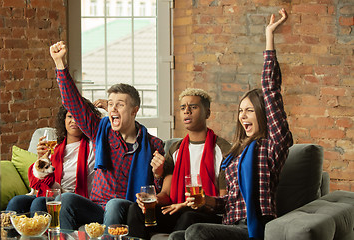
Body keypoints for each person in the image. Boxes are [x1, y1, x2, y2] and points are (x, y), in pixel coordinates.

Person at [169, 8, 293, 240]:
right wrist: (206, 200)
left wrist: (269, 36)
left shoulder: (274, 144)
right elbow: (230, 202)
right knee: (177, 236)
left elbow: (271, 90)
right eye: (240, 111)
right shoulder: (237, 153)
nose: (242, 116)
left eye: (249, 111)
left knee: (195, 231)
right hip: (230, 222)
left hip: (253, 226)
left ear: (263, 114)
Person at [50, 41, 165, 229]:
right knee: (67, 200)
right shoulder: (100, 131)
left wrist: (158, 174)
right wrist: (60, 64)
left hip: (128, 208)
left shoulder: (154, 145)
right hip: (97, 207)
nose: (113, 108)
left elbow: (157, 194)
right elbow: (74, 104)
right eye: (110, 104)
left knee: (114, 203)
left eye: (120, 104)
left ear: (134, 110)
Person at [126, 88, 231, 239]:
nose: (186, 111)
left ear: (207, 113)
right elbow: (166, 194)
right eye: (183, 108)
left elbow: (225, 199)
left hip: (208, 214)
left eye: (193, 107)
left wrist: (198, 202)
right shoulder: (175, 149)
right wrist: (151, 199)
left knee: (189, 216)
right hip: (177, 209)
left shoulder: (223, 149)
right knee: (135, 209)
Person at [6, 102, 100, 213]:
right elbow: (39, 182)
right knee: (16, 201)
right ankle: (6, 230)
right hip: (49, 194)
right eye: (70, 116)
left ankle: (40, 230)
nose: (74, 121)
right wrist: (40, 160)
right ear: (63, 119)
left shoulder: (93, 146)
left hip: (72, 199)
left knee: (39, 202)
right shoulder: (54, 147)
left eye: (78, 117)